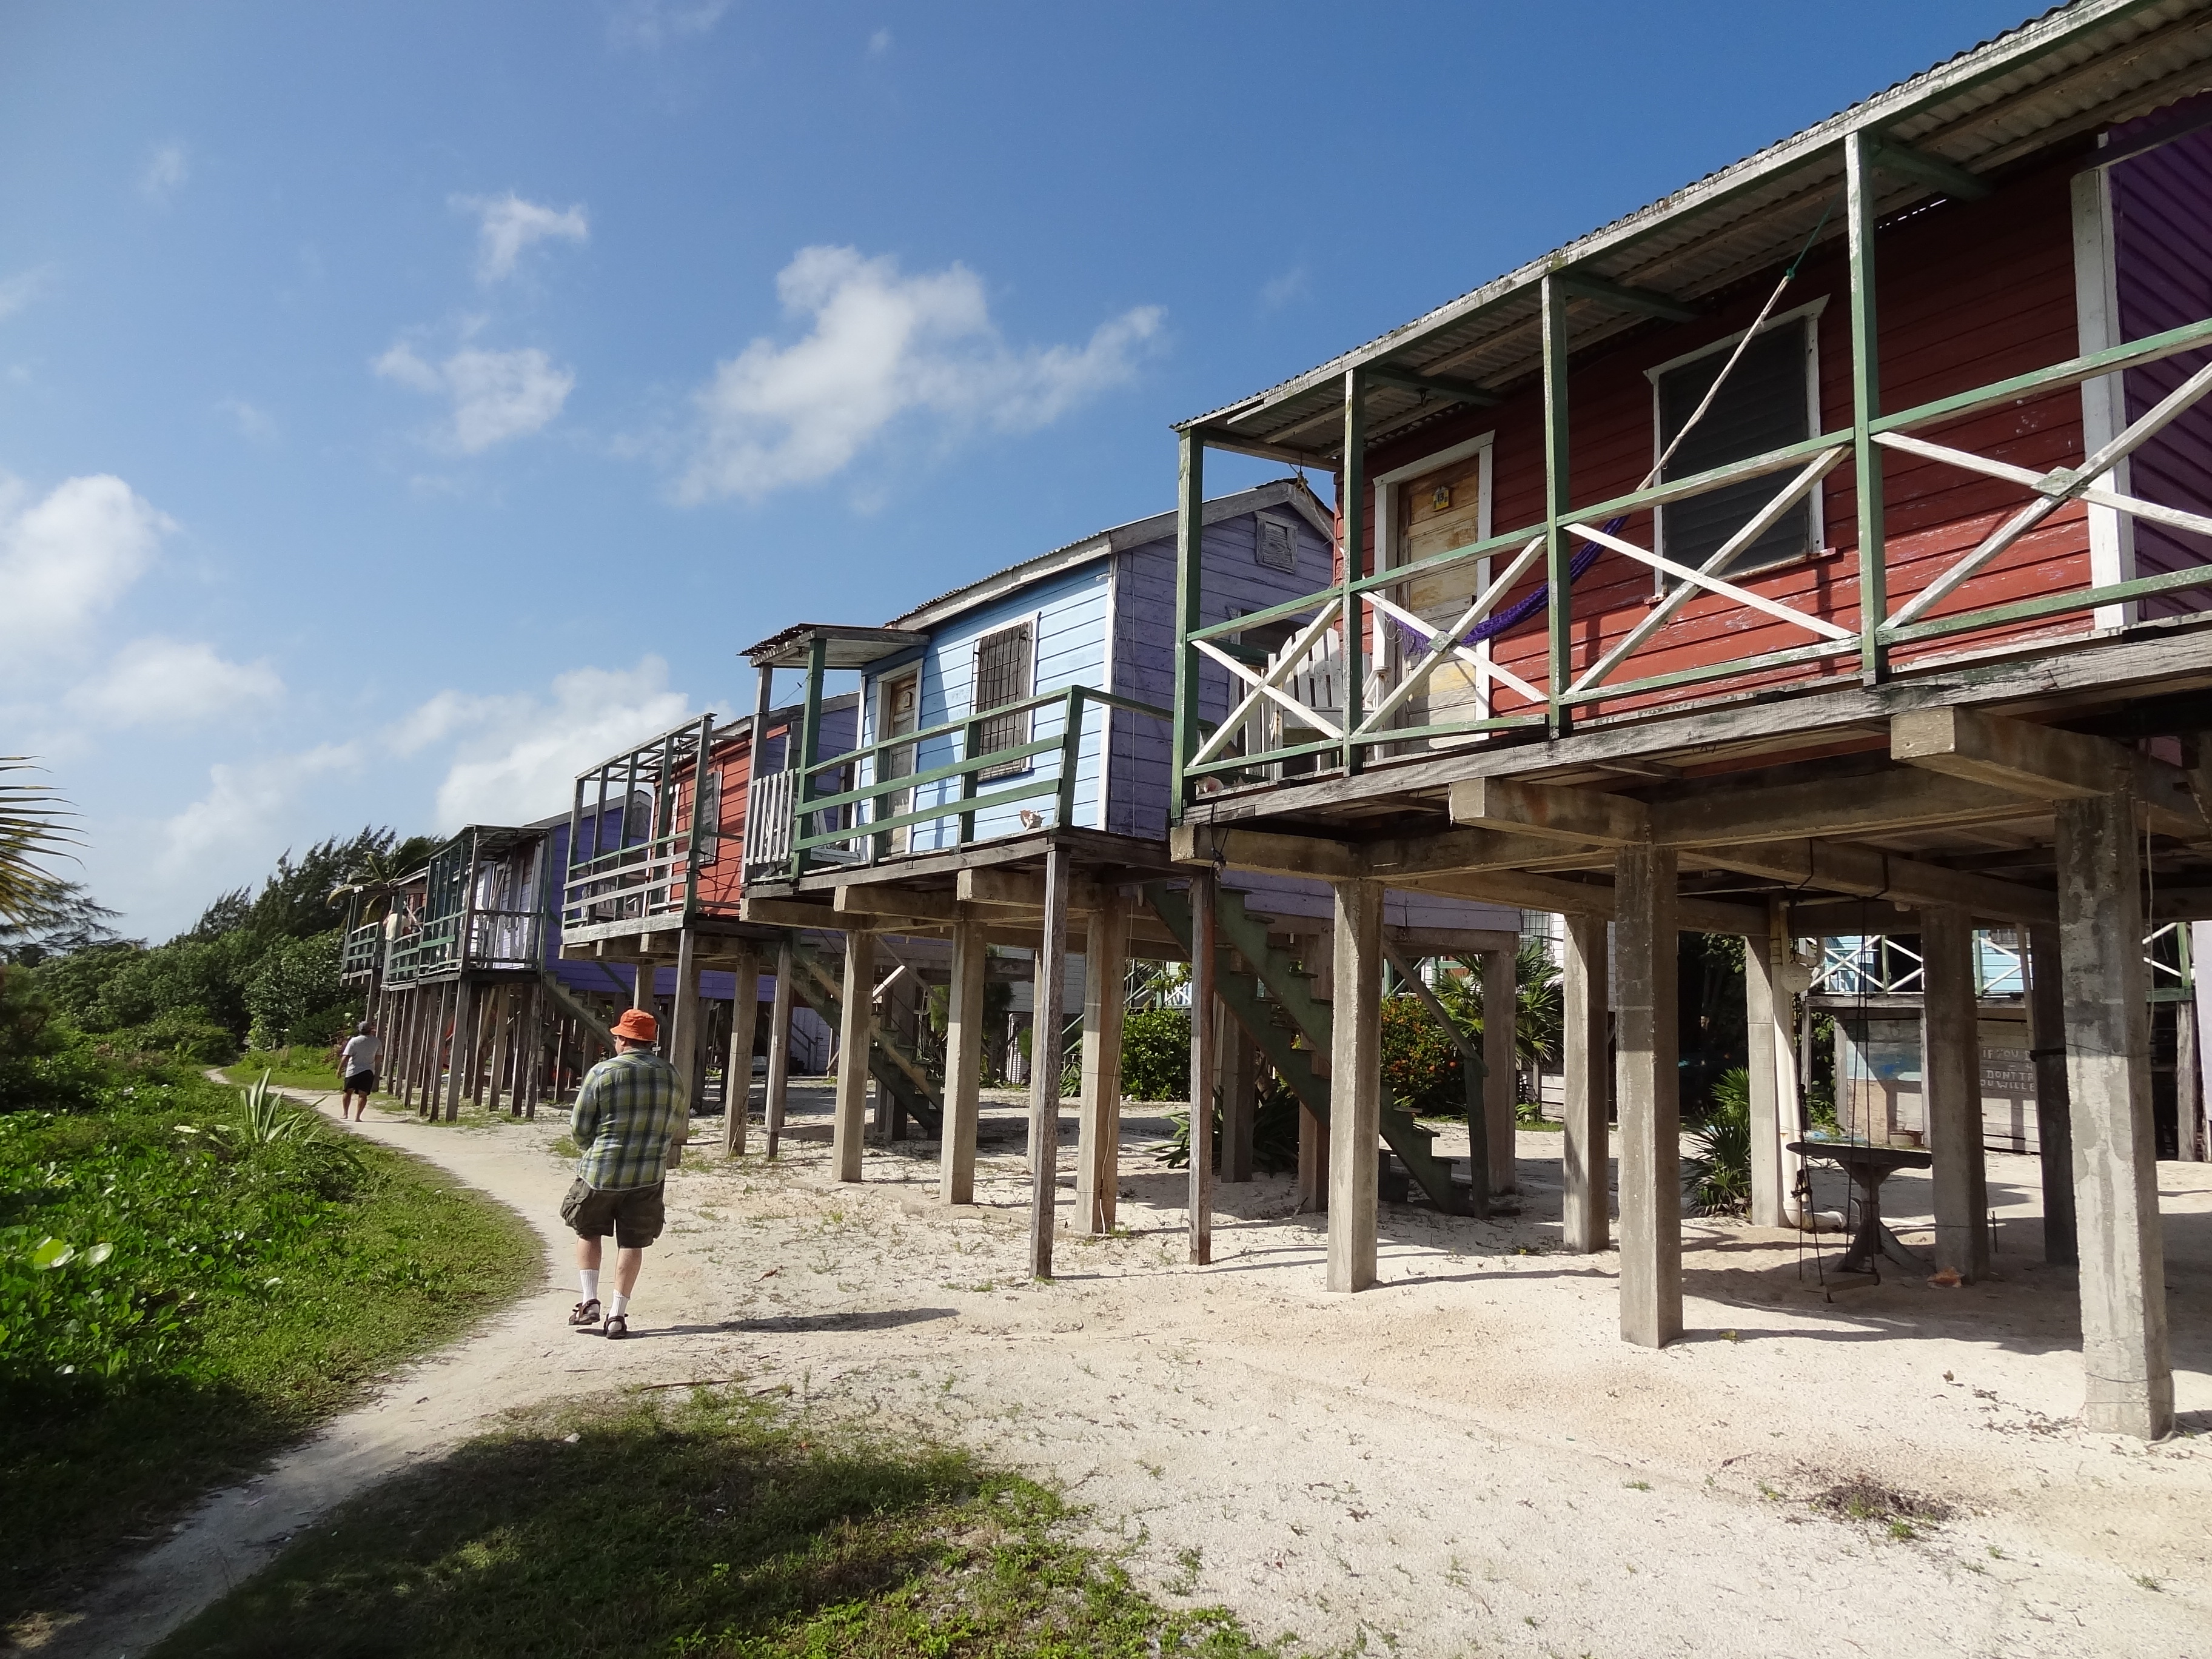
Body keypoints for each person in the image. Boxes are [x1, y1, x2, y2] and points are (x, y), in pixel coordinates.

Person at [562, 1007, 685, 1339]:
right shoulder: (671, 1075)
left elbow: (580, 1128)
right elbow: (675, 1124)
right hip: (648, 1173)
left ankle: (589, 1301)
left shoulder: (602, 1073)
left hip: (601, 1171)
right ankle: (617, 1315)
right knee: (632, 1242)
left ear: (622, 1040)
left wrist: (593, 1147)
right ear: (649, 1042)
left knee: (588, 1231)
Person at [338, 1021, 381, 1122]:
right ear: (370, 1030)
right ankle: (357, 1116)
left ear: (359, 1030)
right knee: (363, 1094)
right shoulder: (376, 1041)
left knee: (348, 1092)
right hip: (368, 1071)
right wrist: (373, 1066)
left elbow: (346, 1056)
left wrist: (339, 1069)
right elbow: (379, 1057)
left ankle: (345, 1114)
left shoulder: (354, 1041)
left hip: (353, 1070)